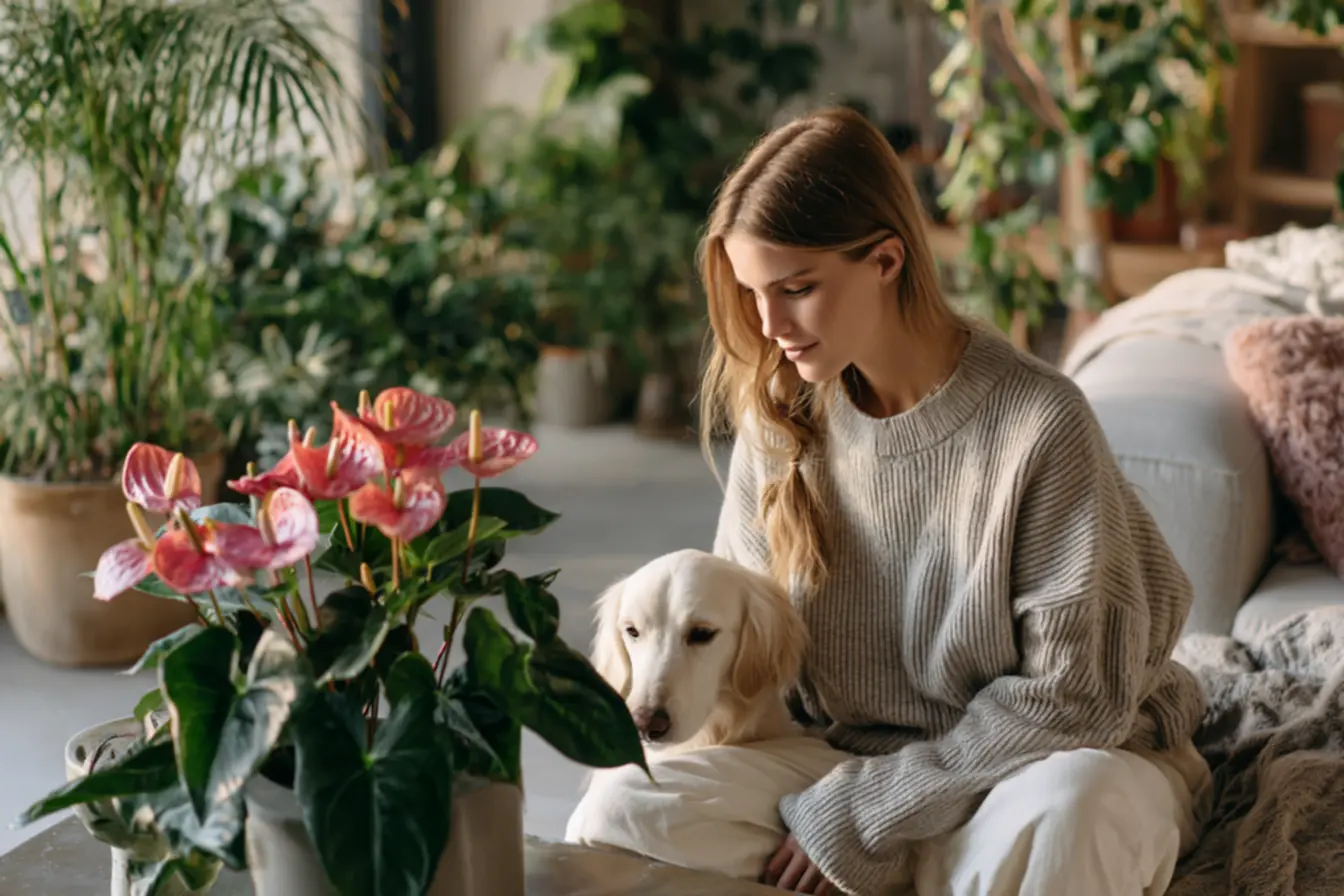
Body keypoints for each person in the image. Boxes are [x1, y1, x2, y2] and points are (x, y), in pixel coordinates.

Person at [691, 106, 1213, 895]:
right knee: (631, 802)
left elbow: (1077, 698)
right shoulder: (780, 413)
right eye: (753, 293)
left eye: (797, 289)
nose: (770, 326)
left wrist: (872, 813)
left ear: (887, 260)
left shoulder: (1039, 423)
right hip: (846, 763)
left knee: (1073, 813)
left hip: (1043, 765)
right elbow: (746, 663)